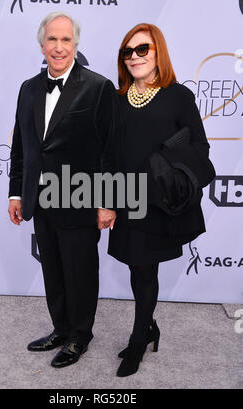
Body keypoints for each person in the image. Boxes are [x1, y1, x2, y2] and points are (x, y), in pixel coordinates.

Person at [8, 12, 119, 368]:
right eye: (52, 40)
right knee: (53, 269)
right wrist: (15, 193)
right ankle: (60, 328)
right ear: (42, 45)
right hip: (39, 199)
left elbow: (109, 150)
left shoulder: (97, 87)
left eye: (66, 40)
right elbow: (22, 147)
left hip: (80, 197)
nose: (59, 47)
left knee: (80, 271)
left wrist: (107, 202)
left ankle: (79, 337)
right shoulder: (27, 87)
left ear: (75, 44)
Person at [108, 23, 212, 377]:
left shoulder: (178, 96)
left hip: (158, 201)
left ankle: (138, 341)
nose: (134, 56)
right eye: (128, 51)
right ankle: (149, 326)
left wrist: (165, 169)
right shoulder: (117, 99)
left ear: (157, 53)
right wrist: (107, 200)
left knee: (146, 268)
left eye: (142, 49)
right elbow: (110, 153)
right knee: (136, 267)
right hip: (126, 200)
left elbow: (200, 148)